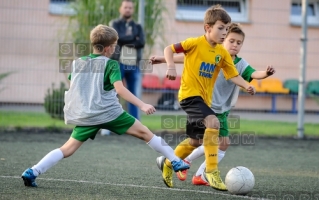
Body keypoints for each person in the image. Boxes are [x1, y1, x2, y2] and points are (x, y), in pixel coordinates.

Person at [21, 24, 189, 188]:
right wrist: (142, 104)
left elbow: (74, 83)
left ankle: (33, 171)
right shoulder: (111, 64)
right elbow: (120, 89)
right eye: (115, 46)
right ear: (108, 48)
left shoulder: (78, 62)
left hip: (88, 115)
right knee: (146, 133)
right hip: (110, 113)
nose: (115, 49)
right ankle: (174, 161)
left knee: (67, 149)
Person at [151, 23, 276, 186]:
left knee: (207, 142)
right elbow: (186, 57)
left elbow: (252, 73)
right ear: (223, 38)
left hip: (221, 110)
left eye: (239, 43)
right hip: (202, 104)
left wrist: (265, 74)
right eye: (232, 40)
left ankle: (186, 168)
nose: (235, 45)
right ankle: (198, 169)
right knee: (209, 140)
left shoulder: (238, 63)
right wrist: (163, 60)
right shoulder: (209, 52)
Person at [101, 0, 144, 136]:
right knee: (112, 94)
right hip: (117, 64)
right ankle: (107, 127)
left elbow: (141, 42)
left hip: (134, 66)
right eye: (125, 7)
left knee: (133, 96)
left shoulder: (138, 26)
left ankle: (136, 129)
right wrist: (133, 39)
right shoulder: (115, 24)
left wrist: (126, 39)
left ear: (133, 9)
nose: (128, 9)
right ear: (121, 9)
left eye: (130, 8)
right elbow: (116, 39)